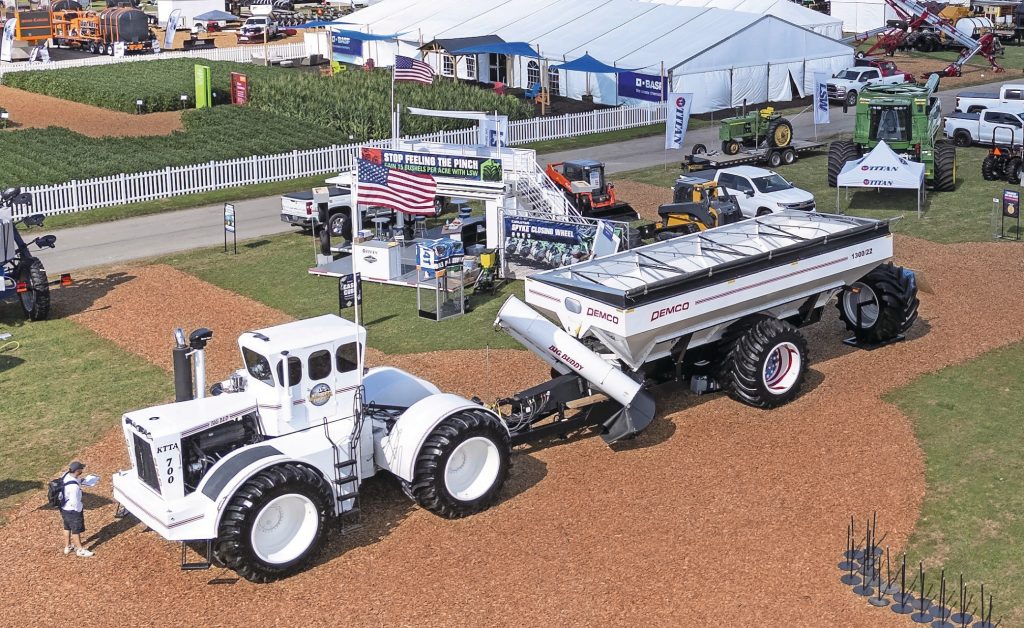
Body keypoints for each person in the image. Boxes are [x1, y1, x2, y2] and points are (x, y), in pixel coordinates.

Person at [60, 461, 94, 558]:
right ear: (77, 470)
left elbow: (74, 480)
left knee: (67, 527)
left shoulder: (66, 475)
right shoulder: (74, 488)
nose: (82, 470)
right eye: (81, 469)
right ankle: (80, 550)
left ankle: (67, 547)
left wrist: (80, 480)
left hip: (64, 508)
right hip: (73, 510)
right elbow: (75, 502)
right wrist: (79, 510)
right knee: (76, 530)